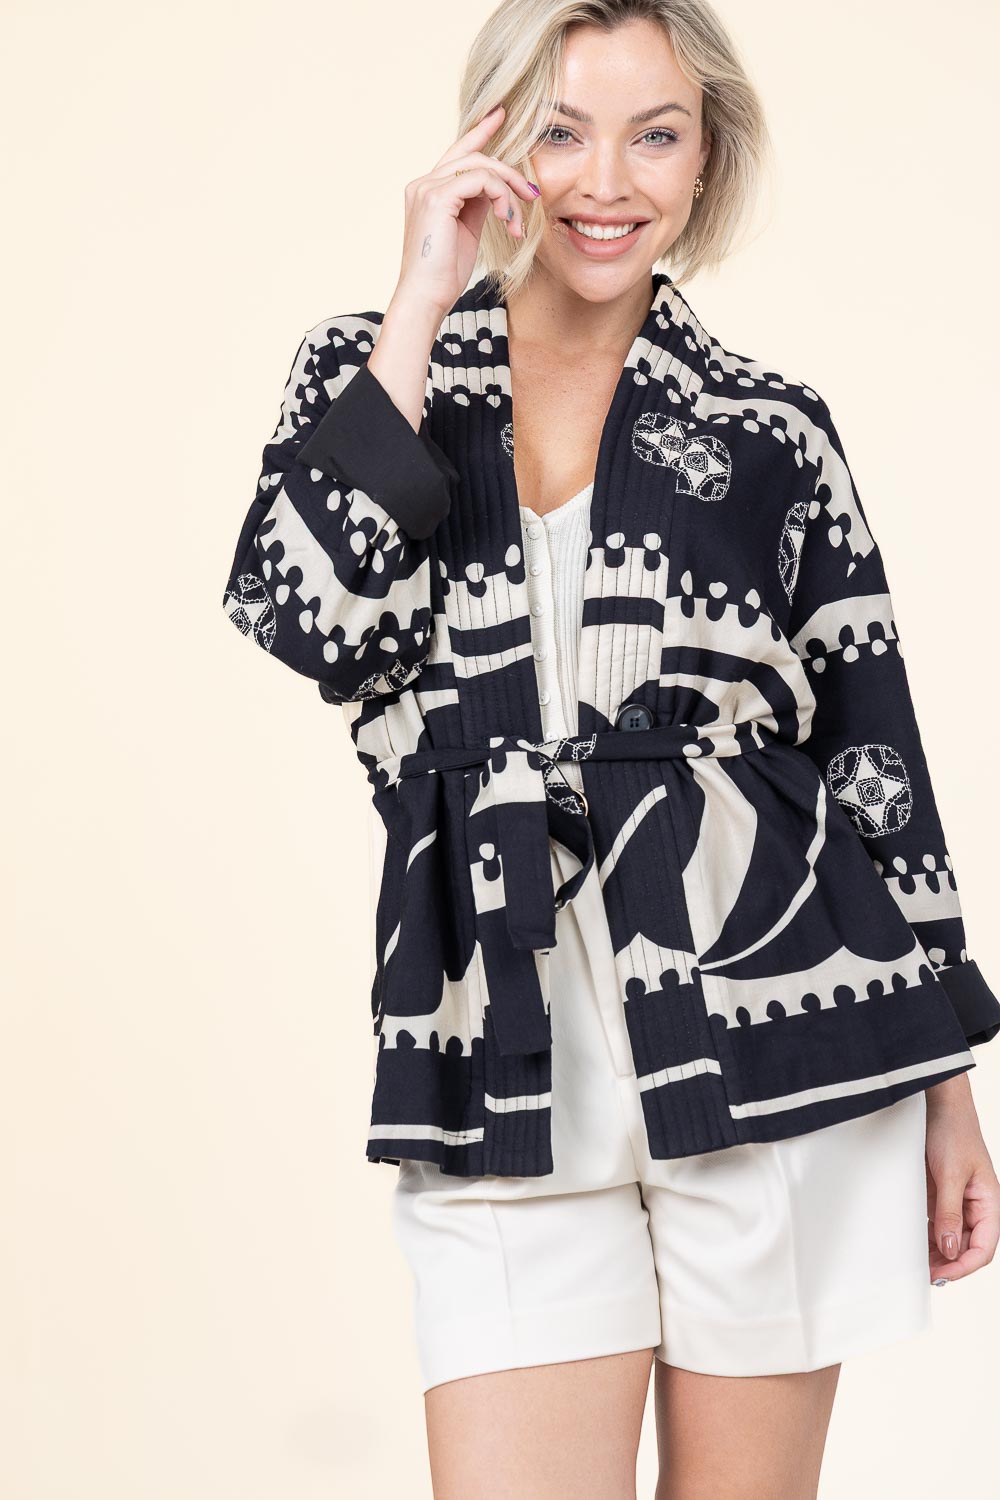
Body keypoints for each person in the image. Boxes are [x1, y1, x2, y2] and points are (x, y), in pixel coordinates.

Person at [222, 2, 1000, 1494]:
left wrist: (950, 1083)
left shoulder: (772, 429)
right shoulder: (372, 374)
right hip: (498, 1044)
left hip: (774, 1037)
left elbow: (874, 754)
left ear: (707, 161)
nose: (606, 181)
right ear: (495, 142)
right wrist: (422, 292)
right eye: (561, 131)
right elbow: (304, 616)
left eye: (656, 136)